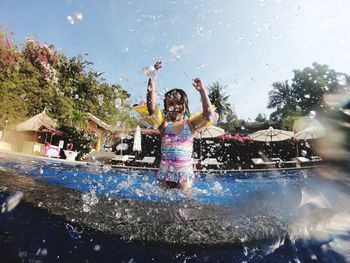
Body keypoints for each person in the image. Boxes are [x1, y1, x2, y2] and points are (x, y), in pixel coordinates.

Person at [146, 61, 217, 189]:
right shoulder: (164, 124)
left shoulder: (190, 125)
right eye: (170, 104)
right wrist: (152, 78)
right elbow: (151, 107)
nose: (175, 106)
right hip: (164, 175)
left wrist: (202, 91)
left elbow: (208, 116)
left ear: (185, 105)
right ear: (166, 108)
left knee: (187, 205)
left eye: (179, 103)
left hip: (184, 176)